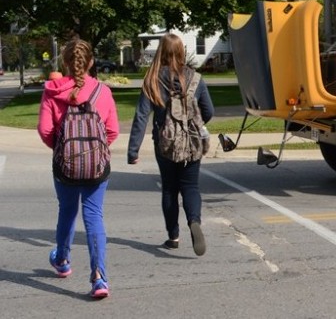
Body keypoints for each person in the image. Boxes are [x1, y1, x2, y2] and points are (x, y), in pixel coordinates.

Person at [37, 38, 119, 299]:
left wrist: (63, 150)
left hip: (65, 167)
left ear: (65, 63)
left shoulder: (53, 92)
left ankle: (61, 260)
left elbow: (45, 130)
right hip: (97, 167)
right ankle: (99, 277)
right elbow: (113, 130)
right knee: (94, 216)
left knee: (67, 212)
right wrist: (95, 150)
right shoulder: (102, 92)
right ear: (91, 62)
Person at [127, 33, 214, 256]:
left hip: (164, 144)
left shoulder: (152, 79)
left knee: (169, 189)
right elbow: (209, 111)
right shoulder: (195, 78)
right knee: (191, 187)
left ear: (161, 52)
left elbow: (141, 116)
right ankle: (194, 221)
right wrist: (193, 124)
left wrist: (133, 150)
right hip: (192, 142)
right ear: (181, 52)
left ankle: (173, 236)